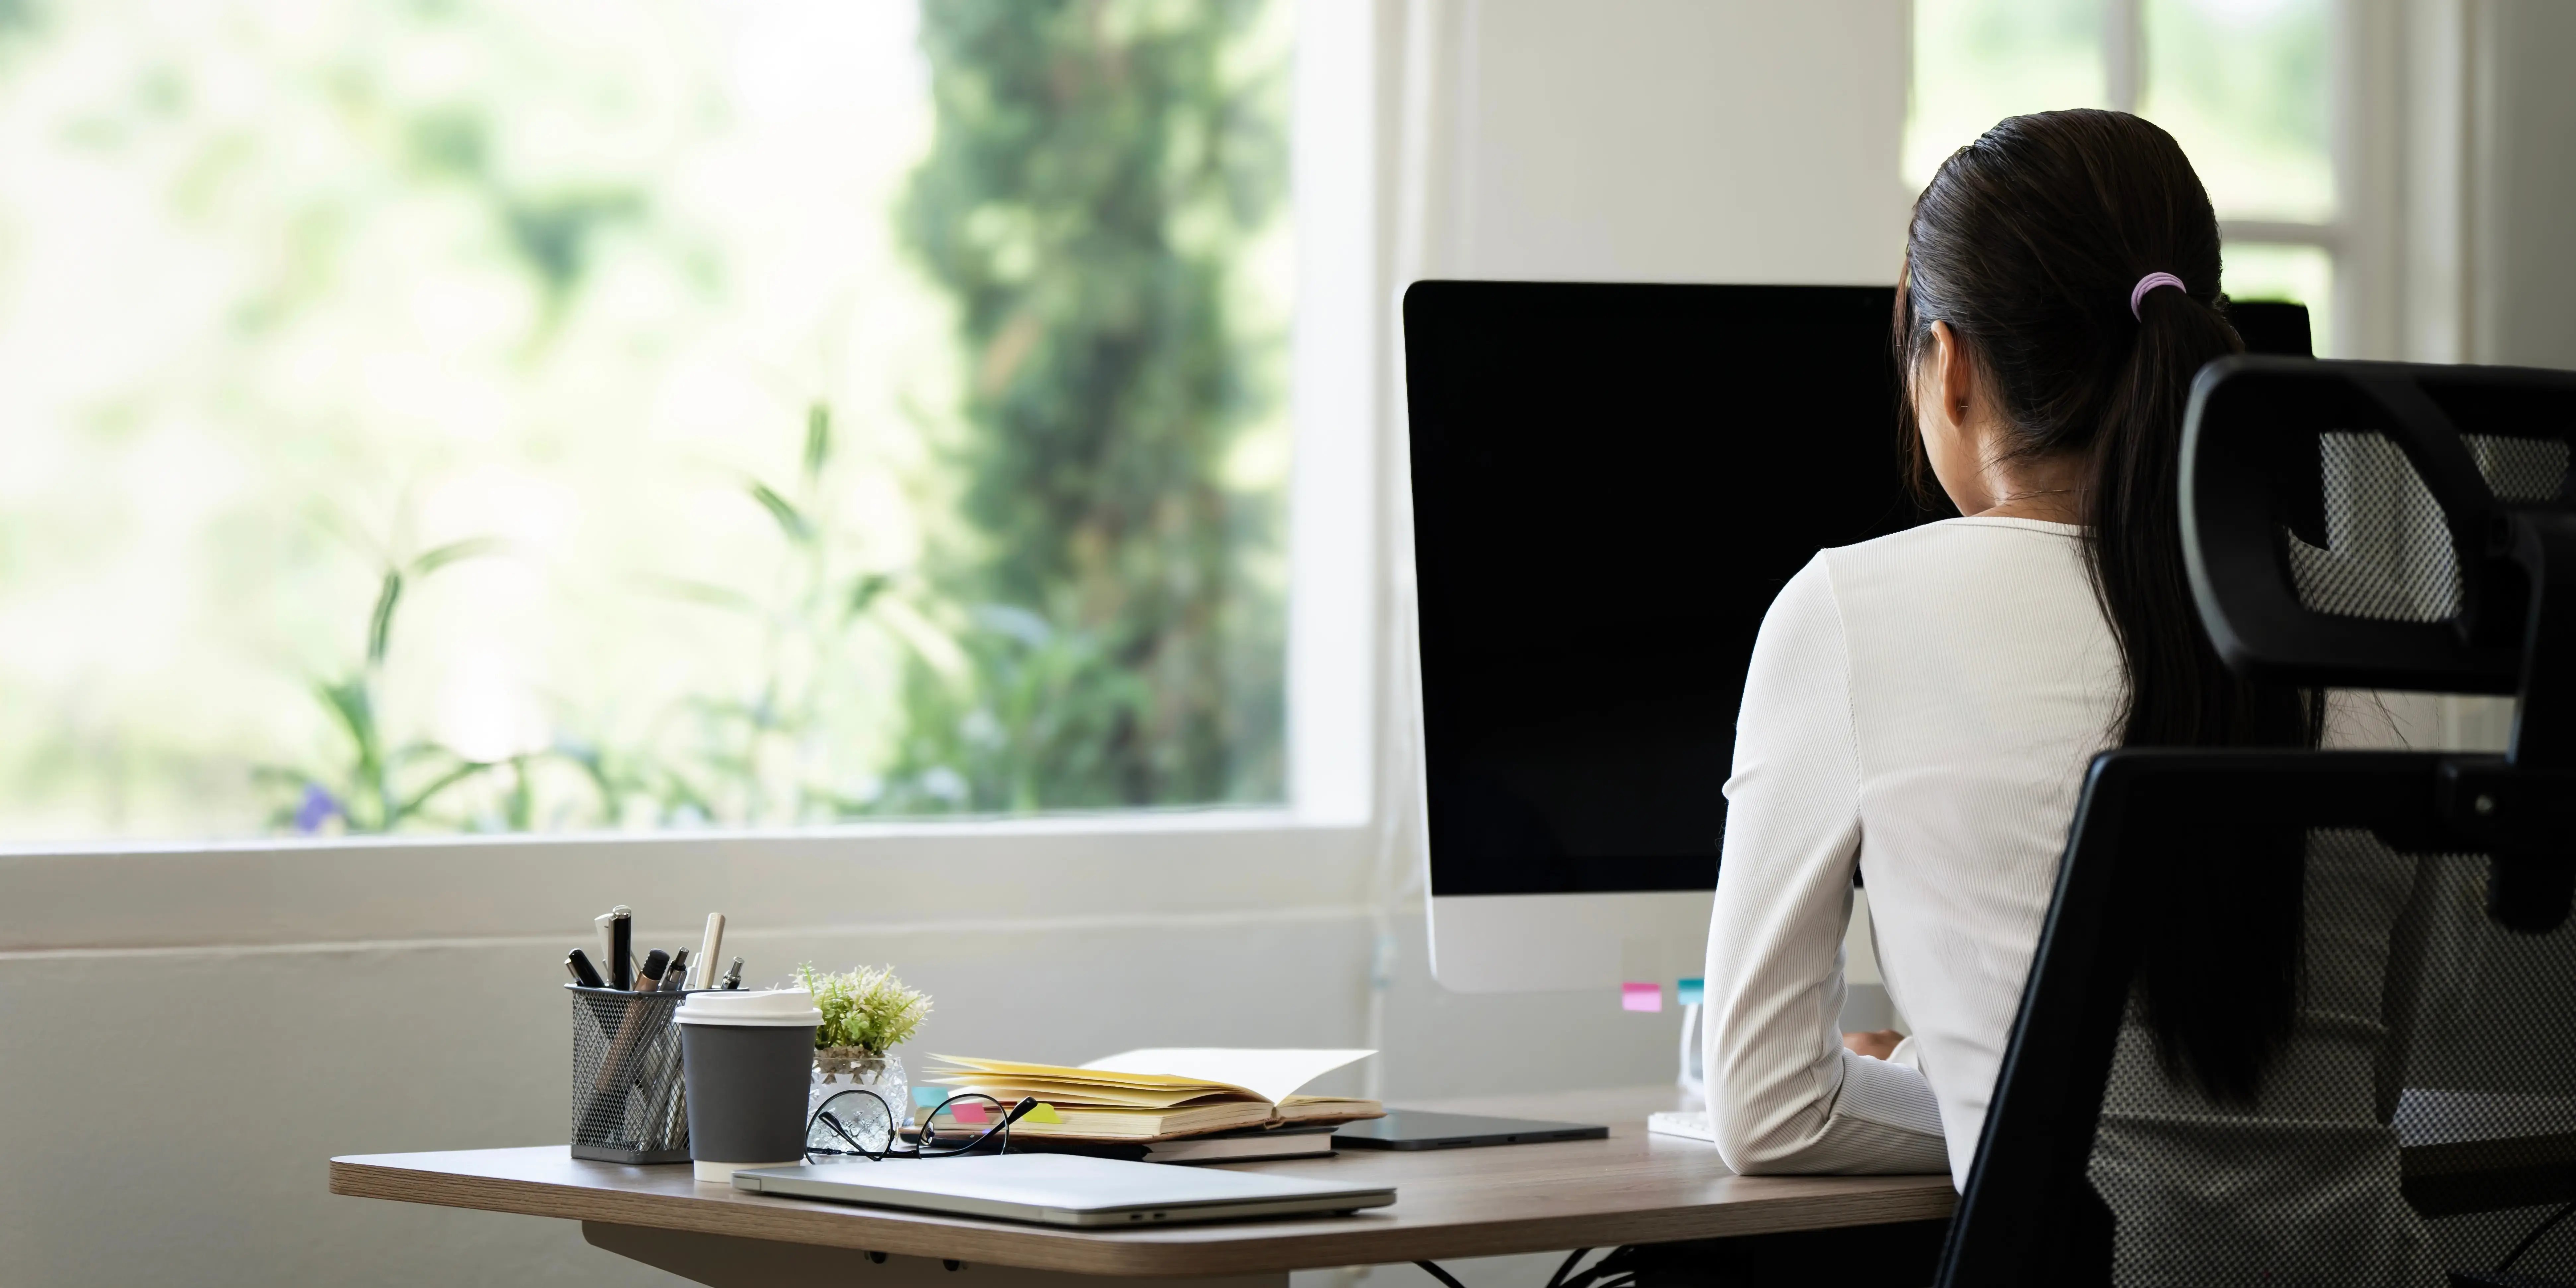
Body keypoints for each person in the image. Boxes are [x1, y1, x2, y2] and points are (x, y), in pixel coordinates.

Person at [1699, 108, 2325, 1188]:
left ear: (1949, 364)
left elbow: (1767, 1107)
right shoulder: (2361, 618)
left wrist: (1977, 1091)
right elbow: (2350, 1087)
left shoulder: (1850, 612)